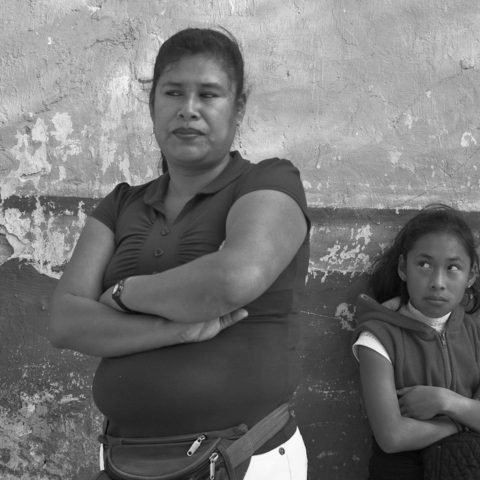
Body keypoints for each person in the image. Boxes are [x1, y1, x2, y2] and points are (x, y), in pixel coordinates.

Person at [49, 27, 310, 479]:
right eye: (173, 93)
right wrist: (176, 331)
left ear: (239, 108)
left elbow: (233, 280)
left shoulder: (269, 182)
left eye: (209, 94)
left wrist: (125, 293)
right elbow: (65, 322)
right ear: (153, 107)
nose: (188, 110)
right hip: (127, 461)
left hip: (246, 458)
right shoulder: (121, 204)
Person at [351, 204, 480, 479]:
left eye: (453, 267)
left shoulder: (474, 332)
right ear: (402, 268)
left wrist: (445, 401)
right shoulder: (377, 337)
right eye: (424, 264)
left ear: (471, 276)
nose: (437, 282)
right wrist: (462, 422)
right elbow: (392, 436)